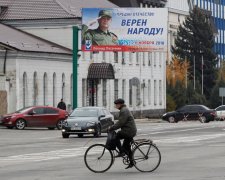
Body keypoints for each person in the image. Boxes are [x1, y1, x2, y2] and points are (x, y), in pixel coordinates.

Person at [108, 98, 137, 169]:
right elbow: (120, 122)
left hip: (128, 131)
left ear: (120, 104)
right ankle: (132, 162)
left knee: (116, 137)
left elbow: (121, 122)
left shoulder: (123, 111)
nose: (115, 106)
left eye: (116, 104)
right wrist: (113, 127)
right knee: (126, 147)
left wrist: (111, 128)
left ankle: (121, 152)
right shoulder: (124, 109)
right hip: (130, 130)